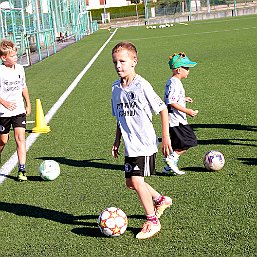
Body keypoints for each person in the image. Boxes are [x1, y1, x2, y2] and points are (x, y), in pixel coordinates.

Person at [111, 41, 172, 239]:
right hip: (130, 145)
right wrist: (117, 140)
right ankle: (160, 199)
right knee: (130, 183)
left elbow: (162, 109)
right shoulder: (115, 89)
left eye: (122, 61)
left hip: (144, 143)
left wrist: (165, 138)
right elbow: (120, 118)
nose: (118, 66)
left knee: (137, 181)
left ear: (134, 61)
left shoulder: (141, 85)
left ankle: (152, 221)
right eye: (115, 62)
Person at [0, 39, 31, 181]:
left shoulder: (19, 68)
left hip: (18, 111)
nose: (15, 58)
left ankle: (22, 169)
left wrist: (28, 103)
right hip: (3, 113)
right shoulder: (0, 71)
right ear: (3, 58)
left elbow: (23, 86)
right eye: (12, 56)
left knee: (20, 138)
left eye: (15, 55)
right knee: (3, 141)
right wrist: (4, 102)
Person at [163, 52, 198, 176]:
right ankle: (171, 159)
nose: (188, 70)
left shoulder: (172, 82)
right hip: (176, 120)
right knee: (189, 141)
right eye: (186, 68)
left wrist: (184, 98)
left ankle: (168, 168)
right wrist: (188, 111)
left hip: (174, 119)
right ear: (178, 70)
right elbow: (171, 101)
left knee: (180, 143)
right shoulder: (174, 83)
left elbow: (173, 98)